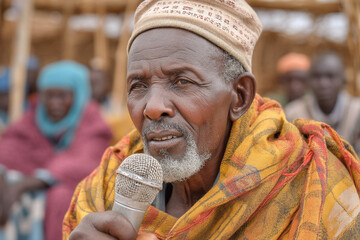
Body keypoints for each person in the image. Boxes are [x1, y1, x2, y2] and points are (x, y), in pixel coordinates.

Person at [64, 1, 360, 239]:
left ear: (240, 96)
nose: (152, 108)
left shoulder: (306, 183)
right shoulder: (108, 187)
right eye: (138, 86)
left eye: (181, 81)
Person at [0, 61, 112, 240]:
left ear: (79, 95)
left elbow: (86, 162)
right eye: (49, 96)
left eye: (63, 96)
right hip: (29, 196)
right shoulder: (35, 114)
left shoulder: (91, 119)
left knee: (61, 197)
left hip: (68, 195)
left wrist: (24, 184)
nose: (54, 103)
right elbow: (10, 147)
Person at [285, 51, 360, 153]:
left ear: (343, 80)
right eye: (317, 76)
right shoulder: (294, 113)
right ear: (308, 80)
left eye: (330, 76)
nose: (323, 83)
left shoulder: (356, 112)